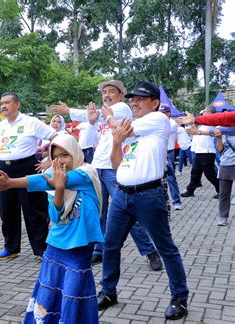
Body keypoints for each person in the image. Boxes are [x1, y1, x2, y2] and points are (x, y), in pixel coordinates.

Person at [0, 133, 104, 323]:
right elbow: (55, 216)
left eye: (64, 155)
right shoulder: (55, 182)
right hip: (56, 246)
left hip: (79, 247)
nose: (59, 161)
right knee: (50, 291)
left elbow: (46, 179)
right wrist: (57, 189)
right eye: (54, 157)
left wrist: (12, 183)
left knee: (74, 292)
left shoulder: (86, 173)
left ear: (75, 153)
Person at [97, 81, 189, 320]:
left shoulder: (158, 120)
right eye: (132, 99)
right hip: (122, 193)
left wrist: (109, 118)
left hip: (149, 195)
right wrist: (116, 142)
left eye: (140, 98)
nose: (133, 102)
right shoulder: (132, 130)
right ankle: (108, 291)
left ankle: (179, 298)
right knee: (110, 245)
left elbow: (117, 125)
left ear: (155, 103)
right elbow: (117, 164)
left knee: (166, 247)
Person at [50, 80, 161, 269]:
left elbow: (102, 116)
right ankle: (99, 250)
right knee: (98, 212)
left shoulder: (122, 110)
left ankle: (150, 251)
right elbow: (90, 139)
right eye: (104, 92)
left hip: (112, 169)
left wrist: (70, 111)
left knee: (126, 212)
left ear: (120, 95)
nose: (107, 95)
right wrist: (91, 122)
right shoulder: (102, 117)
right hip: (97, 167)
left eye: (111, 91)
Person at [0, 92, 56, 260]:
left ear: (17, 104)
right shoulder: (1, 125)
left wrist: (50, 160)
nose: (3, 106)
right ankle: (11, 248)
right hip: (4, 171)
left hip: (26, 168)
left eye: (7, 103)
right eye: (2, 103)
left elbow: (55, 136)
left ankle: (41, 250)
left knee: (34, 212)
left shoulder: (30, 122)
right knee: (7, 211)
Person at [180, 106, 219, 198]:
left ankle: (221, 190)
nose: (202, 113)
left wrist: (191, 120)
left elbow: (196, 130)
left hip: (207, 151)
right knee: (195, 172)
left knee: (209, 173)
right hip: (199, 150)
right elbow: (194, 130)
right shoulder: (202, 123)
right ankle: (190, 190)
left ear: (209, 113)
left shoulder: (212, 122)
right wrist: (190, 125)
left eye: (204, 111)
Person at [159, 106, 182, 210]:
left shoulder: (172, 123)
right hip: (158, 152)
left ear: (168, 113)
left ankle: (176, 201)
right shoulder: (158, 122)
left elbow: (162, 130)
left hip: (168, 152)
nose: (162, 114)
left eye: (164, 112)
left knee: (170, 177)